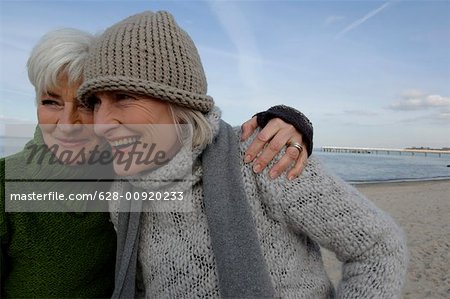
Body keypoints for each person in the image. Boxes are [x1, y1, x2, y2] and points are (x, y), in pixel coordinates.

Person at [78, 11, 408, 298]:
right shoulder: (124, 192)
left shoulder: (263, 158)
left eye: (122, 96)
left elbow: (378, 249)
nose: (102, 124)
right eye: (95, 102)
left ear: (180, 104)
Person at [0, 28, 314, 297]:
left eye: (86, 103)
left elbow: (194, 134)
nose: (68, 124)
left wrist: (287, 121)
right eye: (50, 102)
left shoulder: (132, 169)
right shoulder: (7, 184)